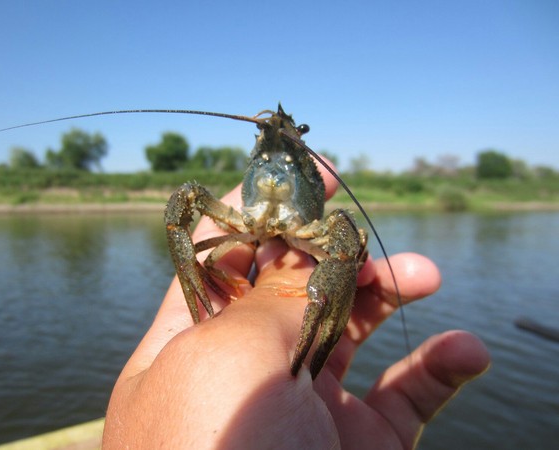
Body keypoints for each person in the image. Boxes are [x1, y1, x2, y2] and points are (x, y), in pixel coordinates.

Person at [102, 165, 490, 449]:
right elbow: (181, 214)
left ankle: (318, 338)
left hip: (307, 238)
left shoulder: (321, 213)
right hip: (254, 231)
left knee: (348, 233)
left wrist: (350, 255)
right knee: (185, 194)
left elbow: (348, 238)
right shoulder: (235, 202)